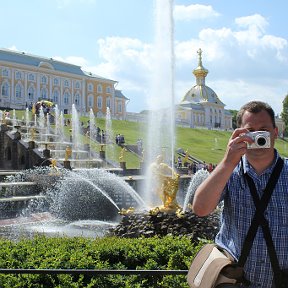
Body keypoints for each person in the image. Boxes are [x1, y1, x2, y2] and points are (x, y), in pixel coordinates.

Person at [192, 101, 288, 287]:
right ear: (239, 134)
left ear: (275, 132)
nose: (258, 135)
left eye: (264, 129)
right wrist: (228, 161)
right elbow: (201, 209)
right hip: (236, 280)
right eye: (250, 130)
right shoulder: (228, 172)